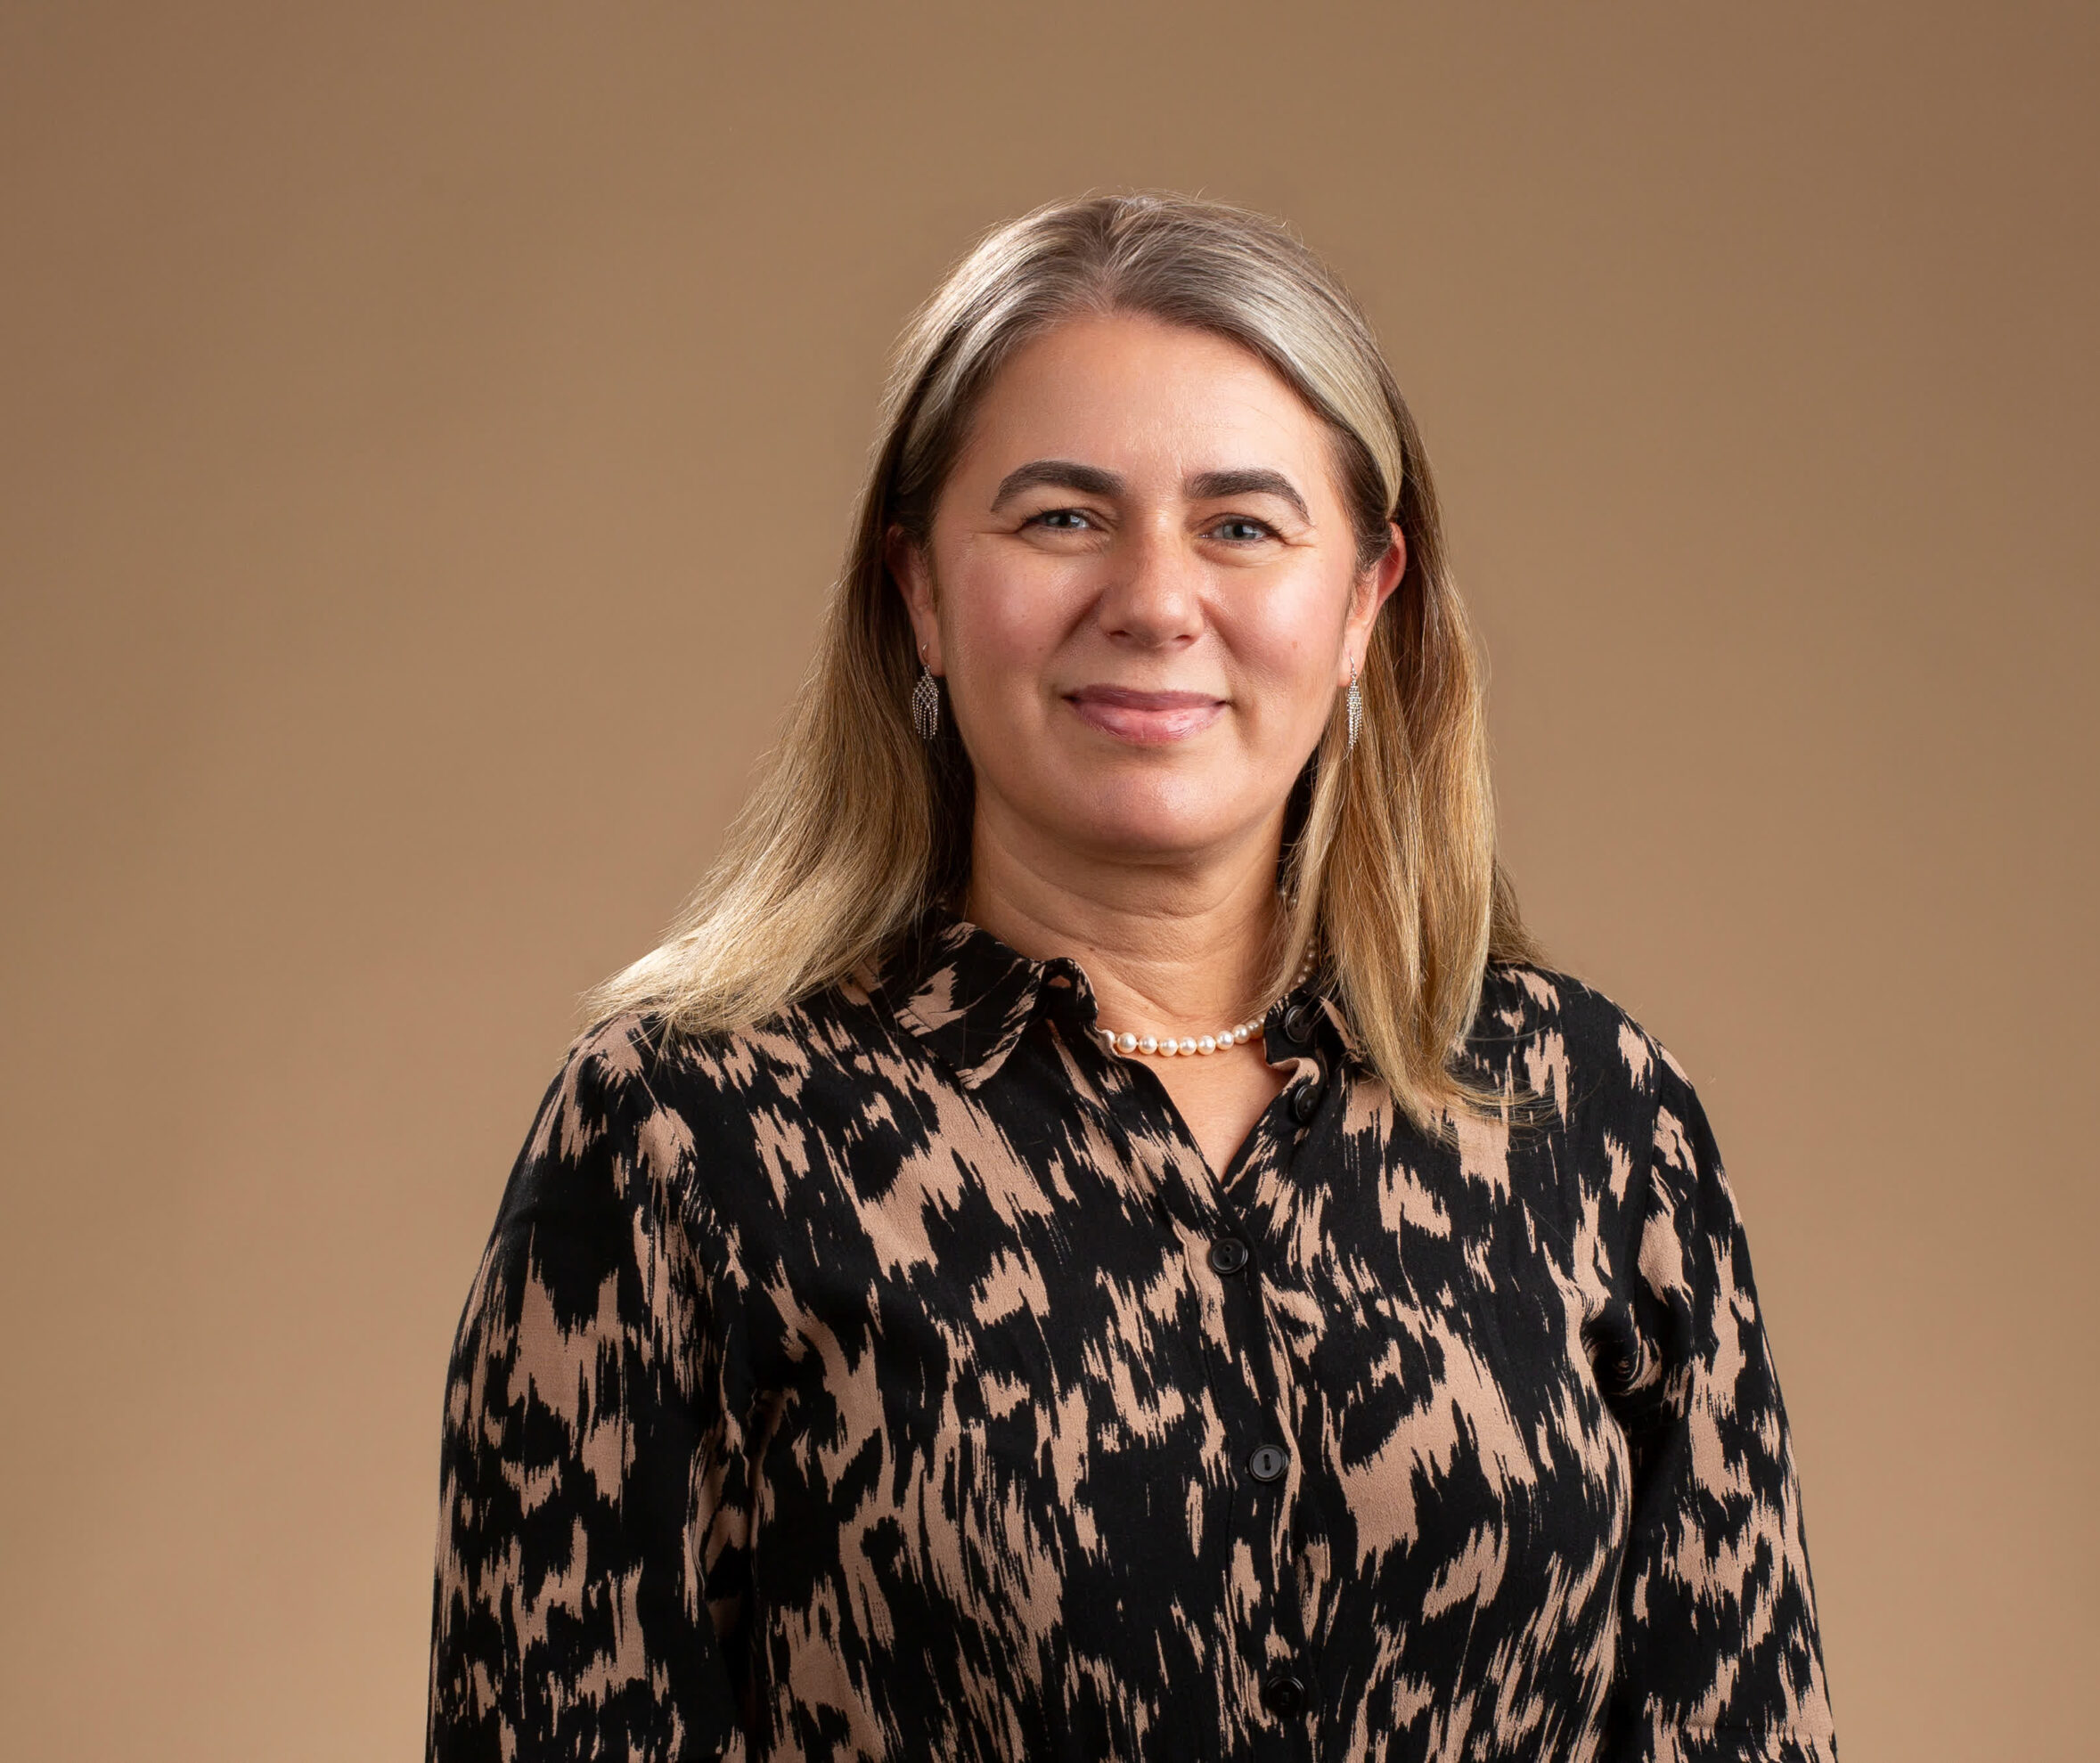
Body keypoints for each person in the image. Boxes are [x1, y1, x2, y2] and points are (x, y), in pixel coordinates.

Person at [426, 192, 1839, 1762]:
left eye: (1242, 525)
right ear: (919, 594)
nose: (1156, 601)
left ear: (1366, 601)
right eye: (1060, 518)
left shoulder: (1590, 1116)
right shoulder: (688, 1139)